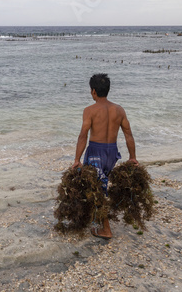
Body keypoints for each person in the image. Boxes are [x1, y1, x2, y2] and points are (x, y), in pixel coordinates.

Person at [72, 73, 138, 239]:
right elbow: (128, 134)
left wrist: (77, 160)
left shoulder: (89, 111)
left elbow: (83, 135)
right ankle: (95, 217)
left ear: (93, 91)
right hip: (112, 153)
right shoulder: (119, 110)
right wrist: (132, 157)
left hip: (96, 152)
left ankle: (106, 229)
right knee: (100, 185)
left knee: (98, 190)